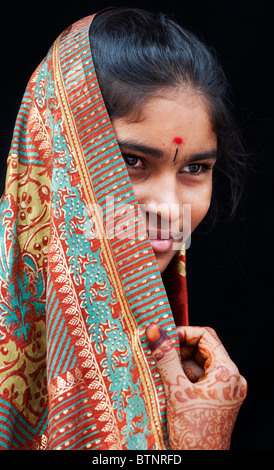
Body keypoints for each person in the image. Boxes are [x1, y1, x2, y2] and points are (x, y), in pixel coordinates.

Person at [0, 8, 247, 450]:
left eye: (195, 167)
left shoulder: (183, 370)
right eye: (130, 161)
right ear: (55, 156)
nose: (170, 209)